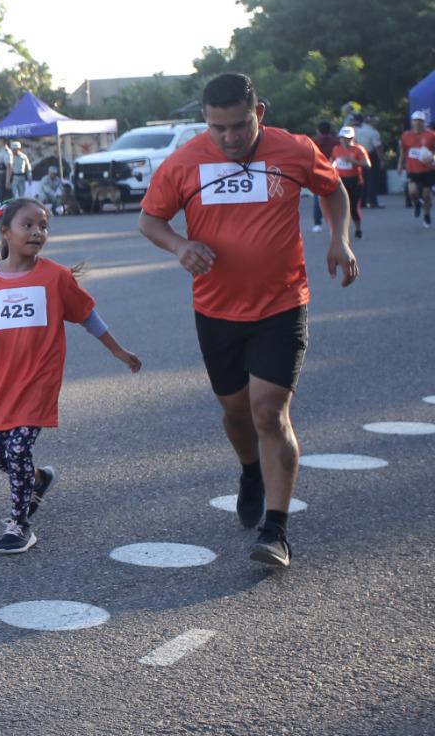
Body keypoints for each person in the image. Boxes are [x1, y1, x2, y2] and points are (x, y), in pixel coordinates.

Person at [139, 73, 357, 569]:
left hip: (283, 302)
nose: (230, 137)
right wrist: (181, 246)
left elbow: (333, 189)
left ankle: (275, 531)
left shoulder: (294, 150)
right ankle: (250, 471)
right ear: (205, 121)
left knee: (268, 412)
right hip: (216, 308)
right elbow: (150, 220)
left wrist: (339, 239)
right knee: (236, 412)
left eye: (239, 125)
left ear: (259, 112)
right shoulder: (184, 163)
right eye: (218, 128)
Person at [0, 199, 141, 553]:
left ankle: (20, 525)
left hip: (38, 380)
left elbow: (87, 315)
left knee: (16, 452)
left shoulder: (55, 276)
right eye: (27, 225)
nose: (36, 232)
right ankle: (39, 480)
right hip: (1, 381)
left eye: (42, 226)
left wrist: (117, 350)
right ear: (5, 232)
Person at [331, 125, 370, 240]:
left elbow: (367, 164)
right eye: (342, 138)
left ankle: (358, 229)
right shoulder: (336, 149)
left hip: (355, 181)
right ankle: (342, 232)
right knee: (341, 207)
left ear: (352, 138)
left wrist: (353, 161)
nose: (344, 140)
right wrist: (331, 166)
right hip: (341, 181)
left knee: (353, 207)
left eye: (347, 138)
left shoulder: (358, 149)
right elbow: (332, 160)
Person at [399, 109, 435, 226]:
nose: (418, 123)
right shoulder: (406, 136)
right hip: (412, 169)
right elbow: (403, 152)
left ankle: (426, 214)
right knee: (412, 192)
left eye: (420, 121)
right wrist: (400, 165)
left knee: (426, 195)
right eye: (415, 121)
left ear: (424, 122)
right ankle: (417, 204)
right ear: (412, 122)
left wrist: (432, 157)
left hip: (427, 169)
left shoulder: (431, 135)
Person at [308, 121, 336, 231]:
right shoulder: (336, 142)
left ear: (318, 130)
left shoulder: (314, 141)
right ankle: (335, 222)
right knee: (335, 196)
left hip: (318, 170)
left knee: (317, 198)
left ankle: (317, 223)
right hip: (333, 170)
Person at [354, 115, 383, 208]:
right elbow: (378, 147)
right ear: (371, 122)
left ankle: (362, 201)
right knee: (372, 179)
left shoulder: (358, 130)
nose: (377, 124)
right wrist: (381, 159)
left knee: (362, 179)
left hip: (358, 155)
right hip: (371, 155)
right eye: (375, 122)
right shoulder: (374, 132)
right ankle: (372, 201)